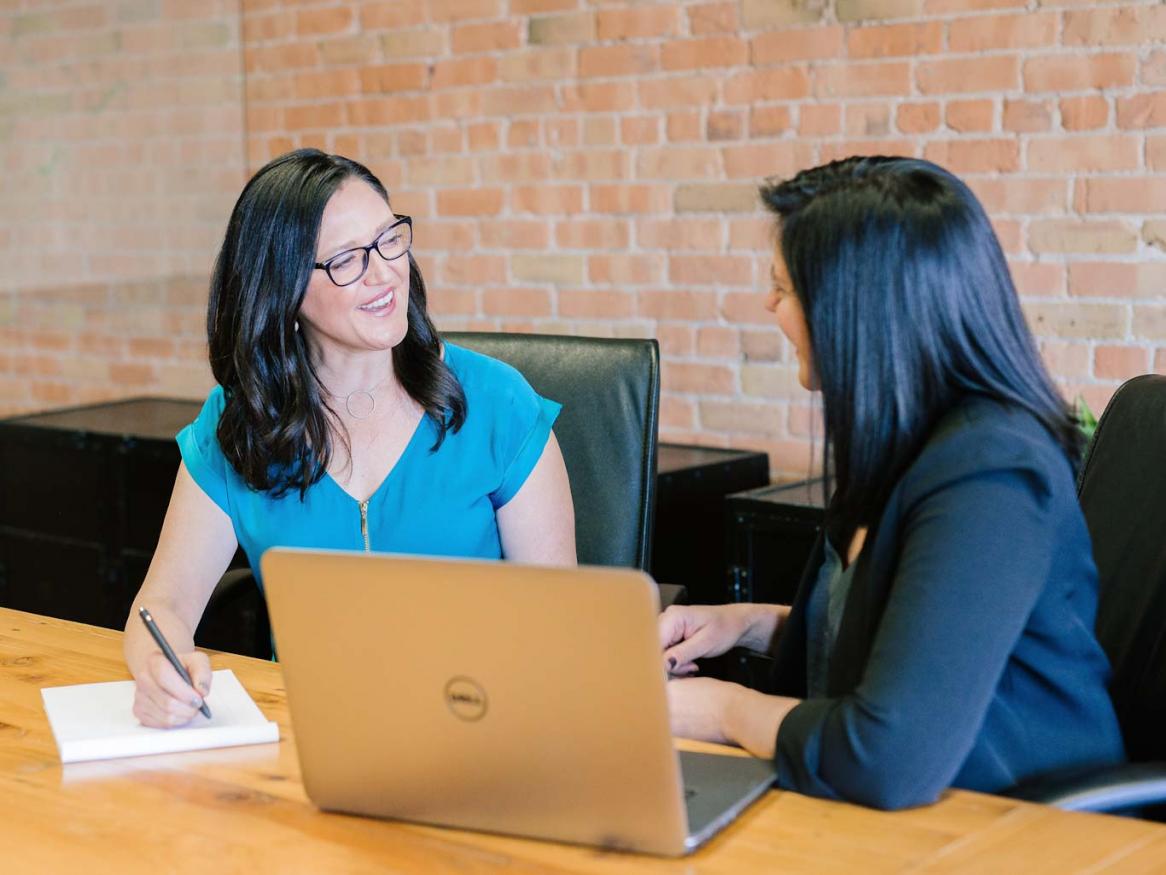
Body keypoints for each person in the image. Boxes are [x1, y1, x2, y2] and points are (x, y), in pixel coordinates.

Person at [659, 156, 1125, 810]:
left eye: (783, 287)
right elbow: (903, 632)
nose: (768, 305)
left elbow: (885, 755)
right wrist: (746, 624)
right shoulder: (907, 441)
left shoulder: (992, 473)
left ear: (856, 311)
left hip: (1020, 824)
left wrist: (724, 710)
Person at [125, 150, 575, 728]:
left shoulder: (497, 404)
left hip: (482, 725)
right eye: (345, 260)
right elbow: (160, 605)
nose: (385, 271)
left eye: (390, 240)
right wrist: (159, 673)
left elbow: (559, 623)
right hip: (310, 736)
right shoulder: (239, 426)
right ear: (282, 291)